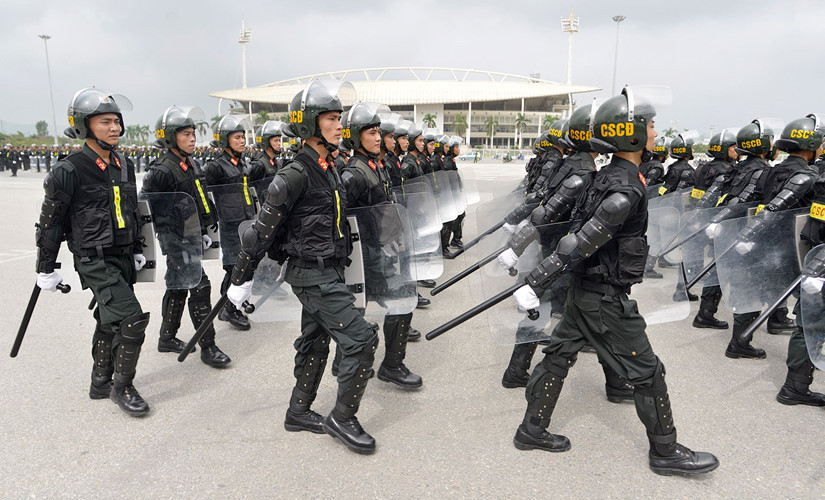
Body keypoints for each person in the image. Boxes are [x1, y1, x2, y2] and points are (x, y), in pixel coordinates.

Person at [509, 87, 719, 476]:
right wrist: (535, 282)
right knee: (648, 371)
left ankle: (531, 429)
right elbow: (579, 241)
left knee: (558, 355)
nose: (655, 132)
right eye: (651, 125)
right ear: (631, 132)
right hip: (604, 298)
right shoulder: (624, 187)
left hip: (584, 291)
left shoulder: (606, 176)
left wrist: (536, 279)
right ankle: (665, 451)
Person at [227, 80, 381, 454]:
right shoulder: (293, 174)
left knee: (315, 342)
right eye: (331, 119)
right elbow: (260, 233)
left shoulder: (330, 167)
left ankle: (298, 411)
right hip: (311, 274)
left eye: (339, 118)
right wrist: (240, 280)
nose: (339, 125)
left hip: (330, 268)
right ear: (309, 123)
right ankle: (342, 418)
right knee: (361, 339)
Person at [34, 87, 150, 416]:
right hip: (94, 259)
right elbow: (51, 222)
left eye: (116, 121)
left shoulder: (124, 164)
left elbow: (131, 210)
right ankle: (122, 387)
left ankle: (100, 381)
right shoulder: (69, 170)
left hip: (123, 256)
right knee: (131, 318)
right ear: (84, 126)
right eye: (104, 122)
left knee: (108, 319)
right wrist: (46, 266)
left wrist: (138, 248)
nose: (114, 128)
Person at [338, 102, 422, 388]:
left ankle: (347, 361)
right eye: (371, 133)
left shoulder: (375, 166)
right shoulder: (353, 174)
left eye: (378, 132)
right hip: (364, 255)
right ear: (355, 137)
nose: (378, 138)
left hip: (378, 250)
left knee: (360, 309)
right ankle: (391, 366)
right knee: (397, 302)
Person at [141, 106, 230, 367]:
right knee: (200, 286)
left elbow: (196, 199)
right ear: (170, 138)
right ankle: (208, 346)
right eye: (186, 134)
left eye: (193, 134)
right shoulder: (161, 170)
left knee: (178, 286)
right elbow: (144, 207)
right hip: (174, 237)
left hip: (190, 234)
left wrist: (202, 231)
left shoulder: (191, 163)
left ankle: (167, 337)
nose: (192, 139)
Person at [204, 115, 257, 330]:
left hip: (245, 221)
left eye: (243, 137)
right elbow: (206, 194)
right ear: (225, 140)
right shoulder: (215, 167)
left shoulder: (241, 163)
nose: (242, 141)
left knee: (244, 265)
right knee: (234, 267)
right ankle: (228, 308)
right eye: (237, 137)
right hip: (229, 224)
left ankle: (233, 303)